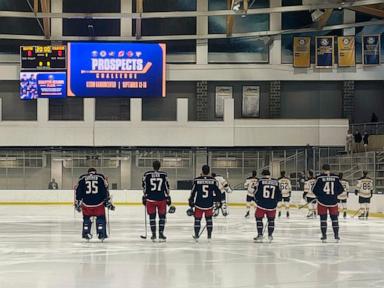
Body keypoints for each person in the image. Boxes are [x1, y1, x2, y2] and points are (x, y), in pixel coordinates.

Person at [74, 168, 115, 241]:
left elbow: (79, 191)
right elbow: (104, 189)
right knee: (101, 218)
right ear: (95, 172)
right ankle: (101, 233)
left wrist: (78, 202)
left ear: (88, 172)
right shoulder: (100, 177)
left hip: (86, 204)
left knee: (86, 218)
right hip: (98, 204)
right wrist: (106, 201)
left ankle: (86, 233)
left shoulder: (82, 178)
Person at [188, 165, 221, 241]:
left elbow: (193, 192)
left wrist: (191, 200)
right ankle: (209, 236)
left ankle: (196, 235)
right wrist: (218, 201)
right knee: (209, 220)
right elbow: (218, 192)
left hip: (199, 204)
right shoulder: (214, 181)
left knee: (197, 220)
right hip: (209, 204)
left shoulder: (196, 180)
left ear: (202, 171)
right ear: (209, 171)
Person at [312, 164, 344, 242]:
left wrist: (320, 195)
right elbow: (341, 189)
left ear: (323, 169)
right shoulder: (336, 177)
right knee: (334, 219)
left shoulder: (319, 178)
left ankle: (324, 235)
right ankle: (336, 235)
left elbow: (314, 189)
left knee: (323, 219)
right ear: (330, 169)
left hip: (322, 201)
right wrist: (334, 195)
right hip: (333, 201)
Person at [142, 160, 171, 242]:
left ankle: (153, 234)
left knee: (152, 217)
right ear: (160, 166)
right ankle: (161, 233)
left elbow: (144, 186)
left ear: (153, 166)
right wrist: (168, 196)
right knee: (162, 217)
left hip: (150, 199)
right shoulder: (164, 175)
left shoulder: (147, 174)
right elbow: (167, 186)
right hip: (161, 199)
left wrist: (145, 195)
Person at [253, 169, 282, 243]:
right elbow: (279, 193)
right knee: (271, 220)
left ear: (262, 174)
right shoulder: (276, 182)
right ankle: (270, 235)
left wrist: (256, 201)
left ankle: (260, 235)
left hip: (261, 205)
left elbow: (255, 192)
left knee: (258, 219)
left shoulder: (260, 181)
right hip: (272, 205)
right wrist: (277, 201)